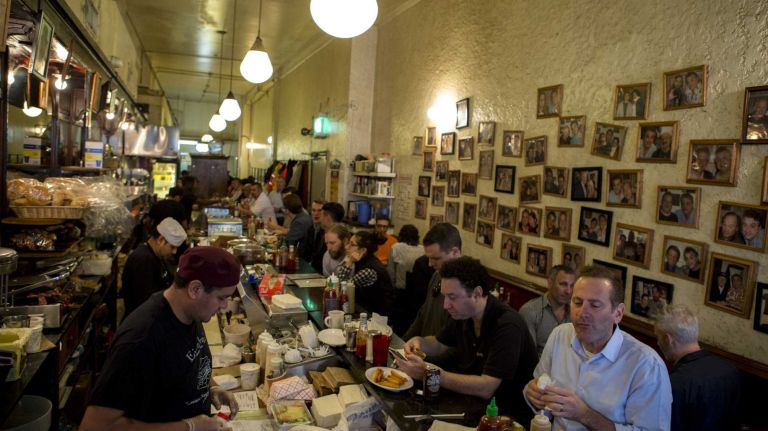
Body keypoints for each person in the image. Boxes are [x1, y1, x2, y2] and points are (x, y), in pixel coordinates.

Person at [81, 247, 241, 430]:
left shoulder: (189, 313)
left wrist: (209, 388)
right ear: (195, 289)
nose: (225, 306)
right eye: (221, 298)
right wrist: (189, 427)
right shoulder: (140, 340)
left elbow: (183, 365)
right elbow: (95, 426)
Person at [525, 266, 672, 430]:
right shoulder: (560, 335)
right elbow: (539, 390)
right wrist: (533, 395)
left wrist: (585, 415)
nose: (582, 313)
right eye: (577, 302)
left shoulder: (647, 366)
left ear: (618, 313)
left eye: (595, 305)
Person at [397, 257, 538, 422]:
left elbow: (486, 387)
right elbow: (439, 343)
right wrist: (419, 342)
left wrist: (431, 375)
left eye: (452, 297)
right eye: (445, 297)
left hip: (506, 416)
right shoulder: (464, 314)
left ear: (477, 294)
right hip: (473, 405)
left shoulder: (507, 325)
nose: (446, 305)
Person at [654, 305, 741, 430]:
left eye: (658, 337)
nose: (657, 343)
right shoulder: (731, 371)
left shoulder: (675, 384)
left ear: (668, 339)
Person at [404, 223, 460, 341]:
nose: (430, 264)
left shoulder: (464, 287)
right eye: (428, 258)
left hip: (437, 356)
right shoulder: (437, 275)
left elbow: (454, 341)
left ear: (455, 252)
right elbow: (424, 313)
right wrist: (403, 343)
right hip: (424, 352)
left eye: (436, 258)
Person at [122, 218, 187, 318]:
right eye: (172, 247)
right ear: (160, 240)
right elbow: (143, 303)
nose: (174, 252)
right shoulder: (143, 260)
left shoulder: (156, 255)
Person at [519, 265, 577, 356]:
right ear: (550, 283)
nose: (568, 291)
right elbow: (528, 355)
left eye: (572, 285)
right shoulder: (530, 311)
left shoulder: (576, 312)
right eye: (563, 284)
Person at [335, 230, 395, 317]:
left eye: (352, 244)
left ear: (363, 250)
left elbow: (342, 288)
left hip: (377, 318)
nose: (346, 247)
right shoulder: (363, 261)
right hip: (366, 310)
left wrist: (349, 262)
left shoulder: (369, 270)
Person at [300, 200, 337, 273]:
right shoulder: (310, 229)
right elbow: (304, 252)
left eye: (319, 211)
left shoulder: (329, 232)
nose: (316, 214)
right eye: (313, 210)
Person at [387, 224, 423, 291]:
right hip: (418, 289)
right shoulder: (423, 249)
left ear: (400, 235)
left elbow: (390, 272)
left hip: (400, 288)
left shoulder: (396, 247)